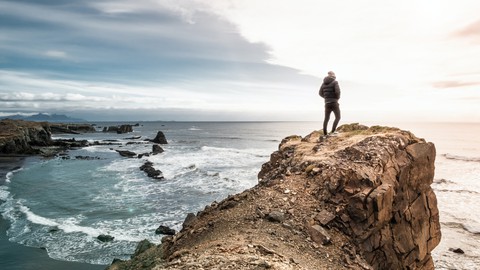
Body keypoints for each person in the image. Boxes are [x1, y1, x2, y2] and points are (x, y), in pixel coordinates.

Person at [319, 71, 341, 136]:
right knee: (338, 117)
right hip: (334, 103)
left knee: (326, 118)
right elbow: (338, 92)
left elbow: (320, 93)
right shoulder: (335, 82)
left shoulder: (323, 84)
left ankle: (325, 133)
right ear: (333, 75)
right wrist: (337, 98)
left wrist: (326, 98)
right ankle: (333, 131)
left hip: (327, 103)